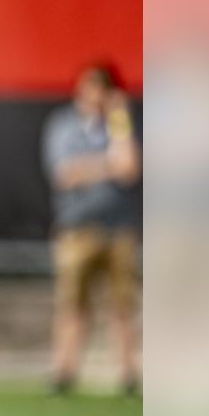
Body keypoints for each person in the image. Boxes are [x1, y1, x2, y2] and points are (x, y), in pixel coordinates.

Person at [42, 63, 141, 396]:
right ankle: (64, 371)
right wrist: (106, 164)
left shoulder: (120, 125)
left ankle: (128, 374)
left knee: (122, 305)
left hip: (119, 229)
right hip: (78, 228)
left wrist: (118, 120)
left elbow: (128, 167)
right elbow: (65, 173)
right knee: (72, 303)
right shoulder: (64, 126)